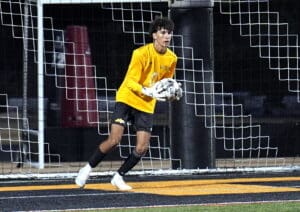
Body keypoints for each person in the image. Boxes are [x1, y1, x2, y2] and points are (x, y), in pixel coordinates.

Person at [75, 17, 180, 190]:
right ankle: (86, 169)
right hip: (127, 98)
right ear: (154, 35)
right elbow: (130, 81)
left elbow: (165, 82)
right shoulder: (140, 54)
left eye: (169, 33)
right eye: (163, 32)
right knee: (114, 139)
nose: (167, 36)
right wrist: (147, 90)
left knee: (142, 147)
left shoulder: (172, 58)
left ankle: (118, 176)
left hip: (146, 104)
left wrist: (172, 91)